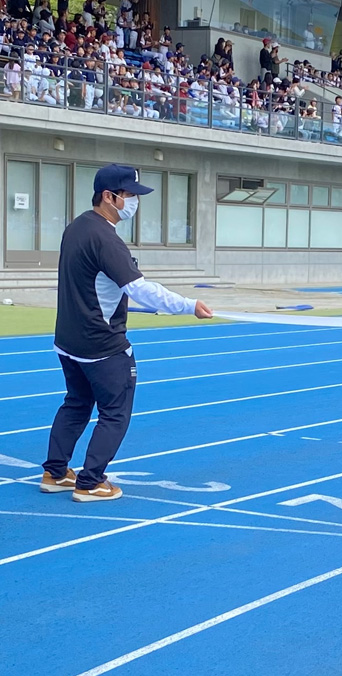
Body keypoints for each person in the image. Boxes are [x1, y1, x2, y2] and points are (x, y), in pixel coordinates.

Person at [40, 165, 214, 502]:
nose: (134, 201)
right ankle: (90, 482)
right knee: (115, 413)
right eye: (129, 194)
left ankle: (55, 472)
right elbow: (140, 289)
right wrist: (188, 305)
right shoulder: (106, 239)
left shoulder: (76, 227)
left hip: (68, 340)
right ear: (109, 197)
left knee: (76, 403)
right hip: (102, 344)